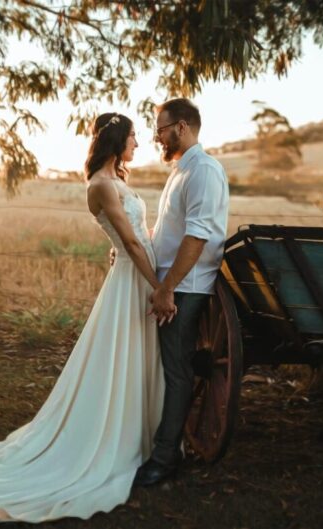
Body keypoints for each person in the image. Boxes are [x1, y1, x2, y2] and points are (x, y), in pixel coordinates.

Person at [0, 113, 167, 523]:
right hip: (133, 280)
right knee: (119, 357)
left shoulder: (116, 180)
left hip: (136, 274)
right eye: (134, 137)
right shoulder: (102, 185)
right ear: (117, 139)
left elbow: (136, 237)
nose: (138, 144)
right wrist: (158, 286)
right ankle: (112, 440)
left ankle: (143, 434)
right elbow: (128, 241)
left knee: (136, 357)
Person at [134, 98, 229, 487]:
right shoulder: (181, 170)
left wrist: (167, 288)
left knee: (177, 372)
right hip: (173, 283)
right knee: (170, 369)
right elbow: (170, 231)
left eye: (161, 129)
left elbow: (197, 237)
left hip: (186, 288)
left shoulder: (204, 171)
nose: (157, 137)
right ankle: (163, 444)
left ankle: (164, 458)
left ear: (183, 127)